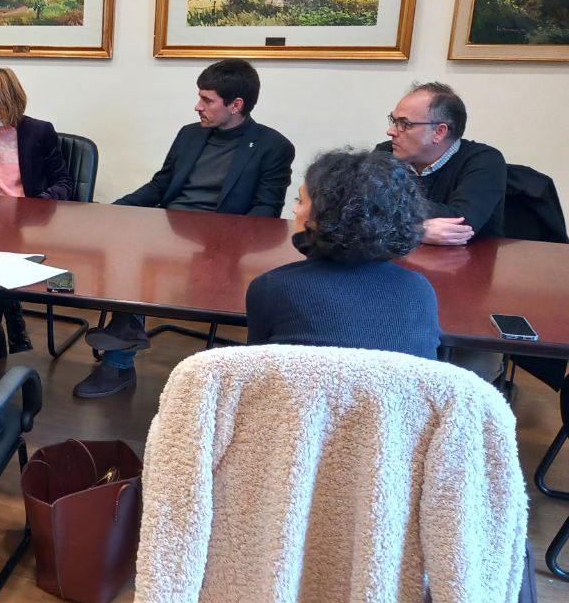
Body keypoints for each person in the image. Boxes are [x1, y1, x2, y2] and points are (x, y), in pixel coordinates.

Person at [74, 58, 295, 399]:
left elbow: (265, 214)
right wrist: (114, 211)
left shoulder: (272, 147)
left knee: (138, 266)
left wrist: (221, 243)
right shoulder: (190, 135)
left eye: (207, 100)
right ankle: (119, 363)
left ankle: (121, 351)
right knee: (126, 257)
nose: (198, 106)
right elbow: (160, 186)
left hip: (223, 245)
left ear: (236, 105)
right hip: (170, 232)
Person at [246, 148, 439, 358]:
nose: (294, 210)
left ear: (323, 215)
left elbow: (258, 372)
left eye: (300, 200)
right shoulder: (419, 289)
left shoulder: (272, 286)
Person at [0, 66, 73, 363]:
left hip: (33, 225)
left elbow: (64, 182)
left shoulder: (39, 131)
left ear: (3, 101)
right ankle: (7, 331)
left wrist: (34, 206)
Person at [377, 81, 505, 245]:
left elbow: (461, 224)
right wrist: (416, 231)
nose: (391, 131)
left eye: (404, 124)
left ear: (439, 132)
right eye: (393, 120)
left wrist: (387, 212)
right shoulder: (386, 153)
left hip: (465, 265)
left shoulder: (484, 160)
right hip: (398, 263)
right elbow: (355, 213)